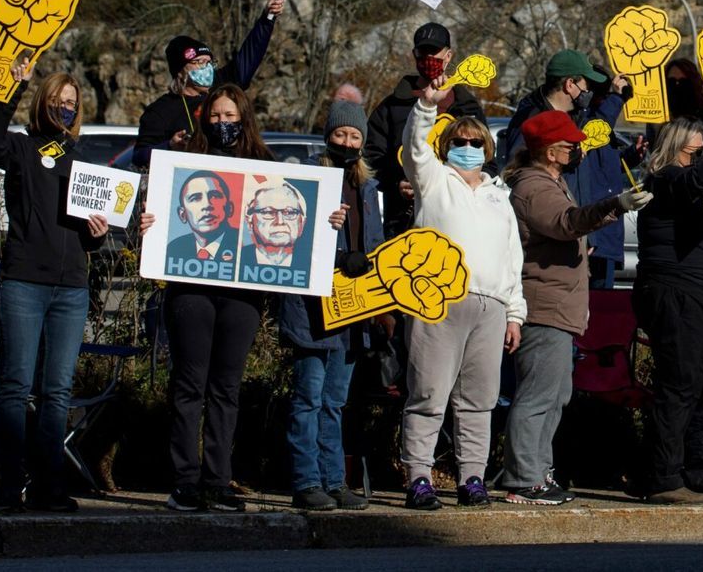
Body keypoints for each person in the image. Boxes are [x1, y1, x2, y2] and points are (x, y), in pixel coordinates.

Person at [0, 58, 109, 514]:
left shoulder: (82, 162)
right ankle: (8, 488)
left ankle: (48, 487)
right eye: (57, 101)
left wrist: (100, 231)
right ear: (42, 104)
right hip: (23, 284)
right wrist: (11, 90)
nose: (65, 109)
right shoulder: (20, 148)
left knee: (57, 391)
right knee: (14, 386)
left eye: (71, 104)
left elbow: (95, 232)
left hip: (71, 288)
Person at [501, 109, 651, 504]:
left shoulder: (551, 181)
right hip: (543, 305)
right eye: (568, 143)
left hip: (559, 307)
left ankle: (537, 471)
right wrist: (614, 204)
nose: (574, 148)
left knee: (556, 394)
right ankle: (523, 478)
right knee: (538, 395)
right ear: (550, 151)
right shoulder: (535, 187)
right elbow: (567, 223)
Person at [138, 84, 271, 512]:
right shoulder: (183, 163)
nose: (223, 124)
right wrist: (146, 224)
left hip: (242, 294)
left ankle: (218, 479)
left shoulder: (264, 166)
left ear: (244, 118)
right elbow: (154, 211)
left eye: (230, 116)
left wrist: (329, 219)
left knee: (226, 388)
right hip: (190, 290)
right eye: (215, 117)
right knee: (189, 385)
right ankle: (186, 481)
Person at [398, 83, 526, 510]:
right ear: (447, 146)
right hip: (437, 300)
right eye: (459, 142)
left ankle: (472, 477)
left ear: (488, 149)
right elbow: (415, 146)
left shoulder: (499, 197)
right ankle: (418, 475)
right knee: (428, 393)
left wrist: (514, 314)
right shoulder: (434, 180)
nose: (468, 147)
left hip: (489, 308)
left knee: (479, 400)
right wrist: (426, 107)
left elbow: (513, 260)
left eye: (475, 142)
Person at [279, 99, 382, 511]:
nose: (347, 141)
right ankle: (306, 481)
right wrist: (325, 229)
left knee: (335, 402)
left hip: (352, 310)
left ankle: (335, 480)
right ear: (328, 137)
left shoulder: (368, 188)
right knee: (308, 397)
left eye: (354, 135)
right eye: (340, 134)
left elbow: (373, 245)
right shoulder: (309, 181)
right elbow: (289, 239)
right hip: (312, 309)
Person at [633, 115, 703, 503]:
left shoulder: (701, 183)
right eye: (691, 152)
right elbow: (692, 180)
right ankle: (663, 477)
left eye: (701, 153)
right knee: (678, 384)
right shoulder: (663, 180)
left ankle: (699, 473)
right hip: (673, 289)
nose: (698, 159)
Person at [500, 49, 633, 286]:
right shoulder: (531, 119)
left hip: (574, 232)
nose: (588, 93)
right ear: (569, 84)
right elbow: (518, 173)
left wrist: (586, 234)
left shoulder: (574, 118)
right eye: (586, 85)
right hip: (548, 240)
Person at [366, 22, 486, 238]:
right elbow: (371, 158)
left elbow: (488, 161)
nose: (429, 57)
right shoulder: (392, 106)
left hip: (458, 220)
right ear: (414, 54)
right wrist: (396, 184)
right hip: (403, 223)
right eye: (423, 51)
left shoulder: (468, 108)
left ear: (448, 56)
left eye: (435, 51)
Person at [133, 0, 285, 166]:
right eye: (199, 62)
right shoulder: (160, 111)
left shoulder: (222, 86)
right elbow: (139, 156)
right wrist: (169, 146)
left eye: (209, 62)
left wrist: (267, 18)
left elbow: (249, 55)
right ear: (180, 70)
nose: (206, 68)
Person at [165, 171, 240, 278]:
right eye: (195, 198)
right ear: (182, 214)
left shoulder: (245, 248)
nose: (207, 205)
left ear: (229, 208)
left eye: (214, 196)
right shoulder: (174, 248)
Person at [239, 180, 313, 274]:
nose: (280, 221)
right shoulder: (234, 258)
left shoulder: (314, 264)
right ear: (249, 222)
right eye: (268, 212)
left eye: (289, 212)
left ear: (302, 223)